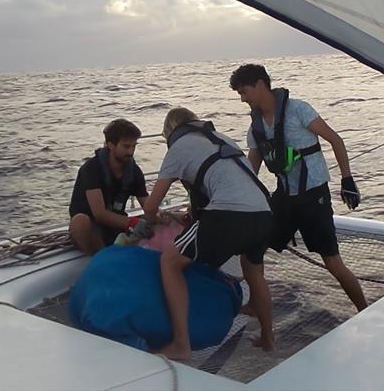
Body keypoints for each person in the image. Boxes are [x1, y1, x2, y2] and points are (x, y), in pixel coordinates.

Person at [229, 64, 368, 312]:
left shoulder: (298, 110)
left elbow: (335, 139)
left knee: (333, 263)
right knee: (252, 246)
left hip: (314, 196)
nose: (242, 99)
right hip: (285, 197)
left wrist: (347, 180)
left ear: (260, 84)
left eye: (244, 91)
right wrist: (233, 198)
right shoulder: (257, 126)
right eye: (239, 94)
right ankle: (254, 304)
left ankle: (364, 310)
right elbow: (252, 167)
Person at [143, 107, 275, 360]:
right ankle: (269, 338)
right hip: (264, 211)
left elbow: (150, 207)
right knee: (253, 270)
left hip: (230, 213)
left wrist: (153, 222)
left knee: (170, 263)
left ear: (170, 132)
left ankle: (181, 345)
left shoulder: (178, 148)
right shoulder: (221, 138)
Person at [69, 119, 151, 255]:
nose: (131, 152)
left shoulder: (134, 171)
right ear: (110, 145)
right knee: (80, 221)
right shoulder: (91, 169)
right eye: (126, 146)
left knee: (153, 222)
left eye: (133, 146)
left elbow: (147, 206)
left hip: (117, 227)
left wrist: (165, 217)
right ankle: (103, 259)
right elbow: (99, 214)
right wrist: (132, 223)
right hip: (92, 227)